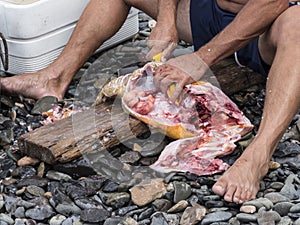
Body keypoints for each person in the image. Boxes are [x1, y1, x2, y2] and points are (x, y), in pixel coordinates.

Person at [1, 0, 300, 204]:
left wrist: (200, 59)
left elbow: (272, 2)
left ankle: (259, 153)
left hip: (269, 25)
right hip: (211, 11)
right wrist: (167, 19)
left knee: (297, 25)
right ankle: (54, 76)